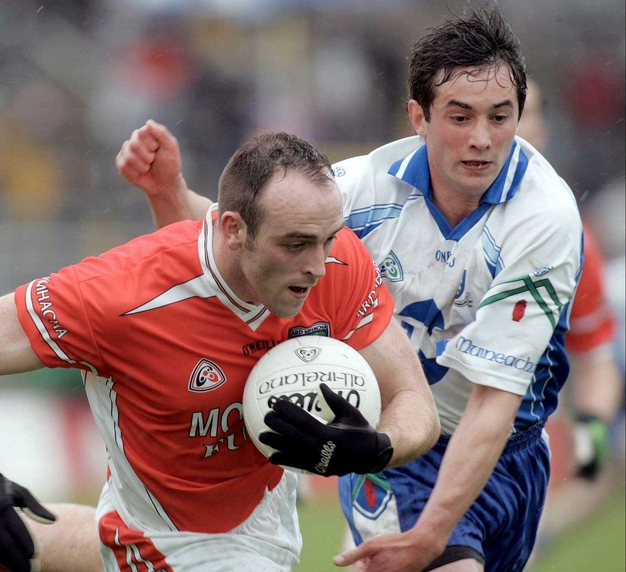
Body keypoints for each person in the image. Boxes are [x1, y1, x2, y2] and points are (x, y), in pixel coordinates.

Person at [0, 132, 439, 572]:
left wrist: (376, 445)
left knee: (97, 542)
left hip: (262, 504)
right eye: (298, 244)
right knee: (124, 542)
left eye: (328, 239)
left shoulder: (336, 258)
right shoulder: (117, 295)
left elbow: (416, 405)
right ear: (233, 230)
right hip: (161, 533)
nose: (319, 263)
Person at [114, 8, 583, 572]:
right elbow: (244, 241)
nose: (481, 139)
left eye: (499, 116)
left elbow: (494, 402)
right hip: (399, 445)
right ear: (419, 116)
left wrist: (431, 535)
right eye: (460, 116)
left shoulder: (545, 217)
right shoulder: (365, 186)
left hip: (511, 453)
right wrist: (169, 191)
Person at [517, 77, 623, 553]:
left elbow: (595, 357)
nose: (507, 129)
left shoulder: (572, 238)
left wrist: (592, 437)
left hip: (505, 455)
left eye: (522, 113)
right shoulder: (396, 214)